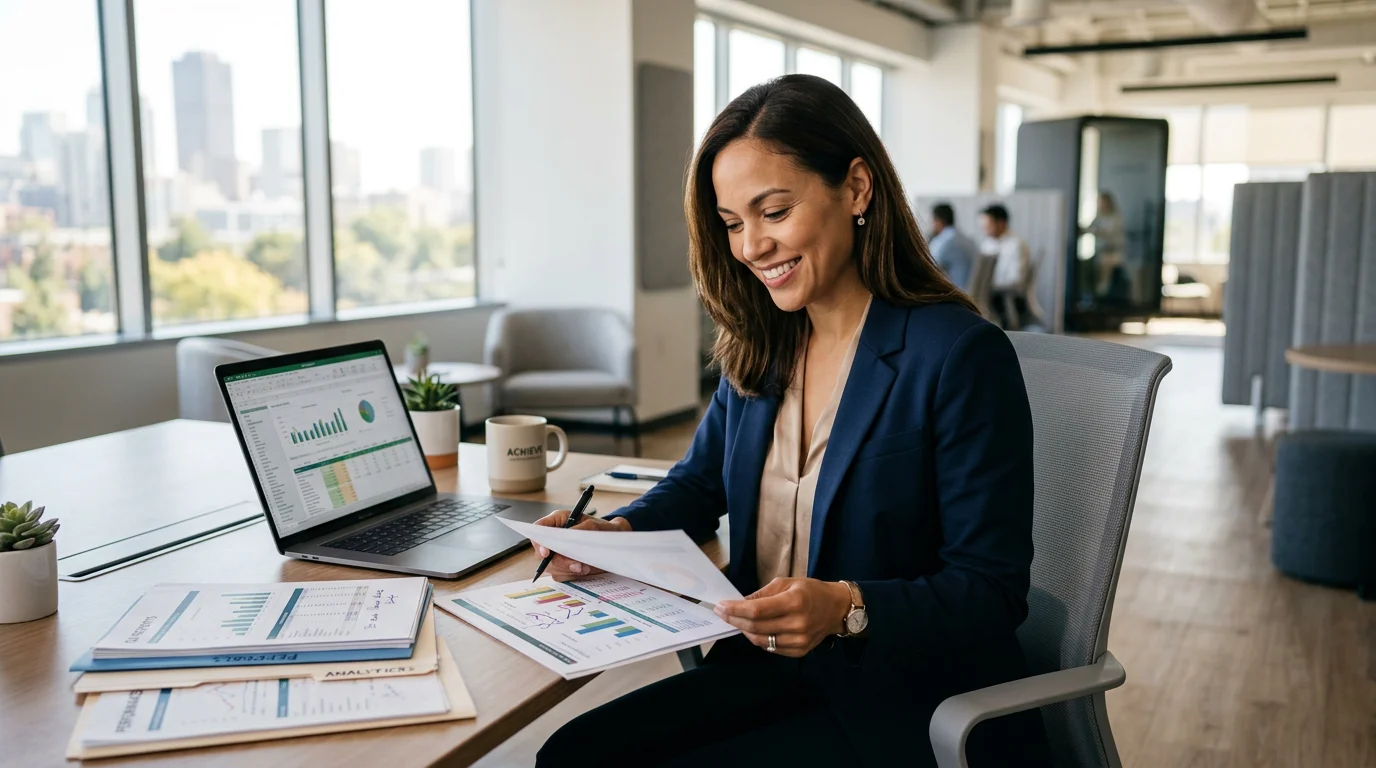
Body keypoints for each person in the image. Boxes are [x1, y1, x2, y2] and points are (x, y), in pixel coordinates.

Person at [532, 75, 1051, 768]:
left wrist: (846, 606)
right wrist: (614, 535)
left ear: (858, 188)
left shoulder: (958, 355)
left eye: (773, 212)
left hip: (896, 698)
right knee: (573, 755)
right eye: (733, 224)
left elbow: (990, 591)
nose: (750, 247)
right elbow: (696, 486)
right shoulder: (763, 345)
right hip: (762, 668)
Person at [978, 203, 1031, 329]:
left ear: (1001, 223)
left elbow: (1017, 280)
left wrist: (991, 285)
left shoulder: (1016, 244)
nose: (985, 230)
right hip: (991, 293)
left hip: (1007, 296)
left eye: (988, 226)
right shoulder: (987, 244)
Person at [1082, 191, 1126, 299]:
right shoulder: (1099, 216)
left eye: (1102, 202)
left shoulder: (1116, 217)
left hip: (1114, 252)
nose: (1100, 204)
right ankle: (1092, 295)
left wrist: (1095, 231)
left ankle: (1102, 294)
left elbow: (1107, 233)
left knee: (1105, 267)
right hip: (1101, 252)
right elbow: (1089, 228)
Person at [927, 202, 978, 292]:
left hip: (957, 295)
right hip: (971, 293)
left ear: (939, 221)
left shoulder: (944, 241)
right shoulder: (966, 239)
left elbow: (927, 266)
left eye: (931, 221)